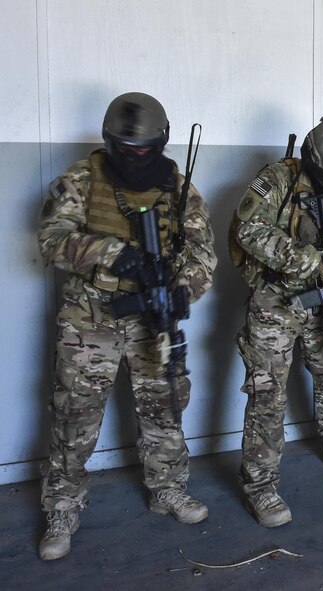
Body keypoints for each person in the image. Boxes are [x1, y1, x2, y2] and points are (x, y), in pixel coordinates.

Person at [37, 92, 217, 561]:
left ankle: (168, 489)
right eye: (126, 149)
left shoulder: (179, 187)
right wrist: (116, 254)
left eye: (145, 150)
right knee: (74, 415)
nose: (136, 158)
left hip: (154, 318)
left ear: (162, 143)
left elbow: (203, 252)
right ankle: (62, 508)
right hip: (90, 318)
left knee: (166, 408)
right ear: (109, 141)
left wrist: (185, 288)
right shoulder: (81, 177)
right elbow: (52, 240)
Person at [232, 109, 323, 528]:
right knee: (268, 395)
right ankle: (259, 483)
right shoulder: (278, 180)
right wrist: (304, 260)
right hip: (275, 302)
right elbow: (248, 229)